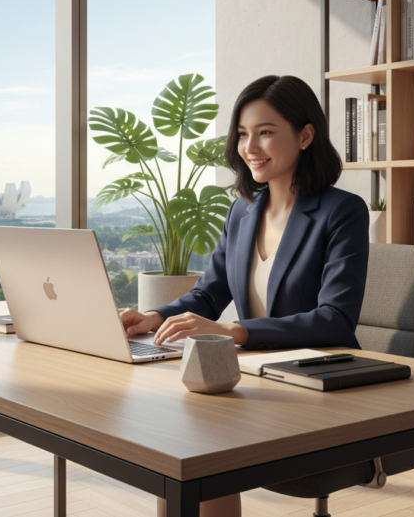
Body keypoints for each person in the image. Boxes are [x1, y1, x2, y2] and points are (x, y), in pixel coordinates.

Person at [119, 75, 369, 517]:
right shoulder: (242, 210)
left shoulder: (341, 212)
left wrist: (233, 332)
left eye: (266, 132)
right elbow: (208, 294)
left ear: (306, 135)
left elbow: (335, 319)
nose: (249, 146)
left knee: (193, 446)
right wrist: (153, 318)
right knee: (172, 444)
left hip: (317, 385)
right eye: (242, 134)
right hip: (252, 380)